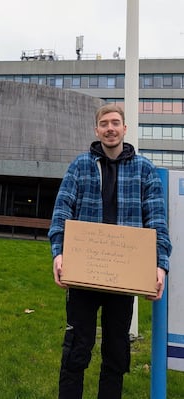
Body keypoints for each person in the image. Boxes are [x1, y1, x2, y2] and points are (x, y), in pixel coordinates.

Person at [48, 103, 172, 399]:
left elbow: (156, 218)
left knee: (116, 352)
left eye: (115, 122)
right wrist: (58, 252)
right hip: (83, 273)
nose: (110, 128)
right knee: (77, 347)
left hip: (123, 277)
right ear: (97, 130)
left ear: (125, 128)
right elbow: (62, 210)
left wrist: (160, 264)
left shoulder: (144, 170)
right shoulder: (80, 165)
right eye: (104, 123)